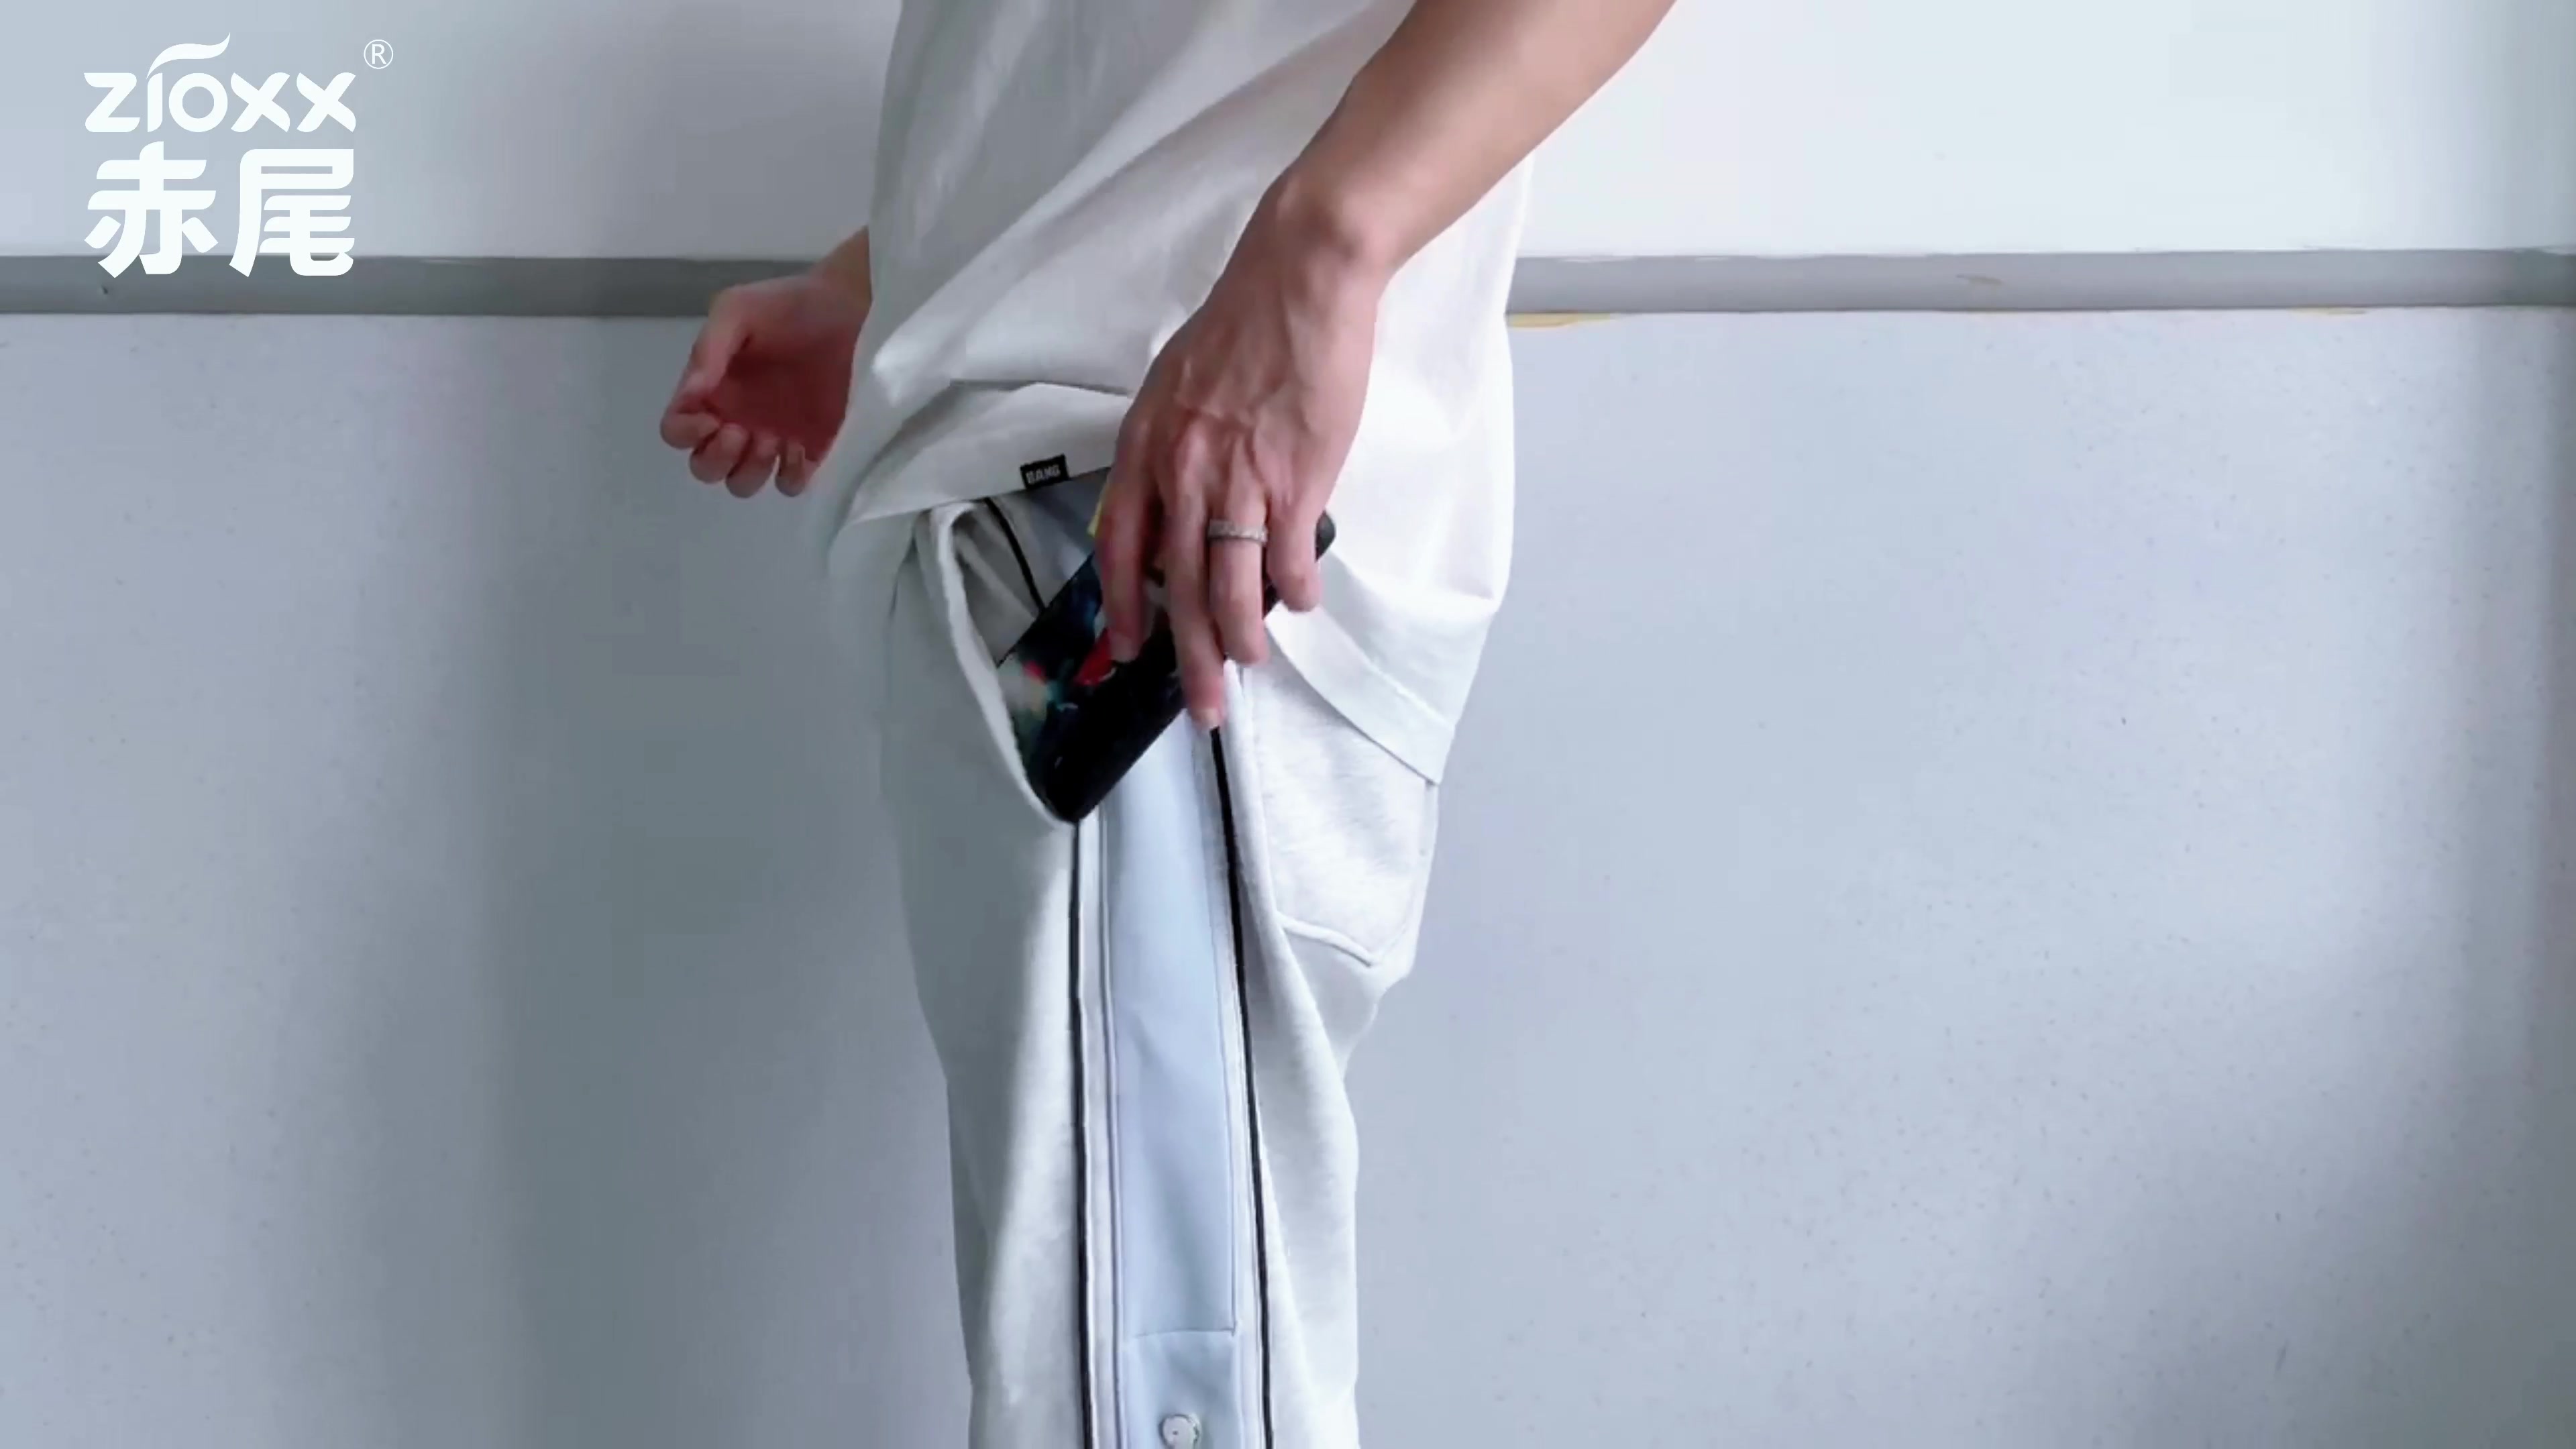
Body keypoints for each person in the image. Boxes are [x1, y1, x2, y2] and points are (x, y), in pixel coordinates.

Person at [659, 1, 1675, 1443]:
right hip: (1071, 517)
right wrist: (898, 283)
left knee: (1149, 1404)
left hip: (1152, 531)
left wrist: (1318, 250)